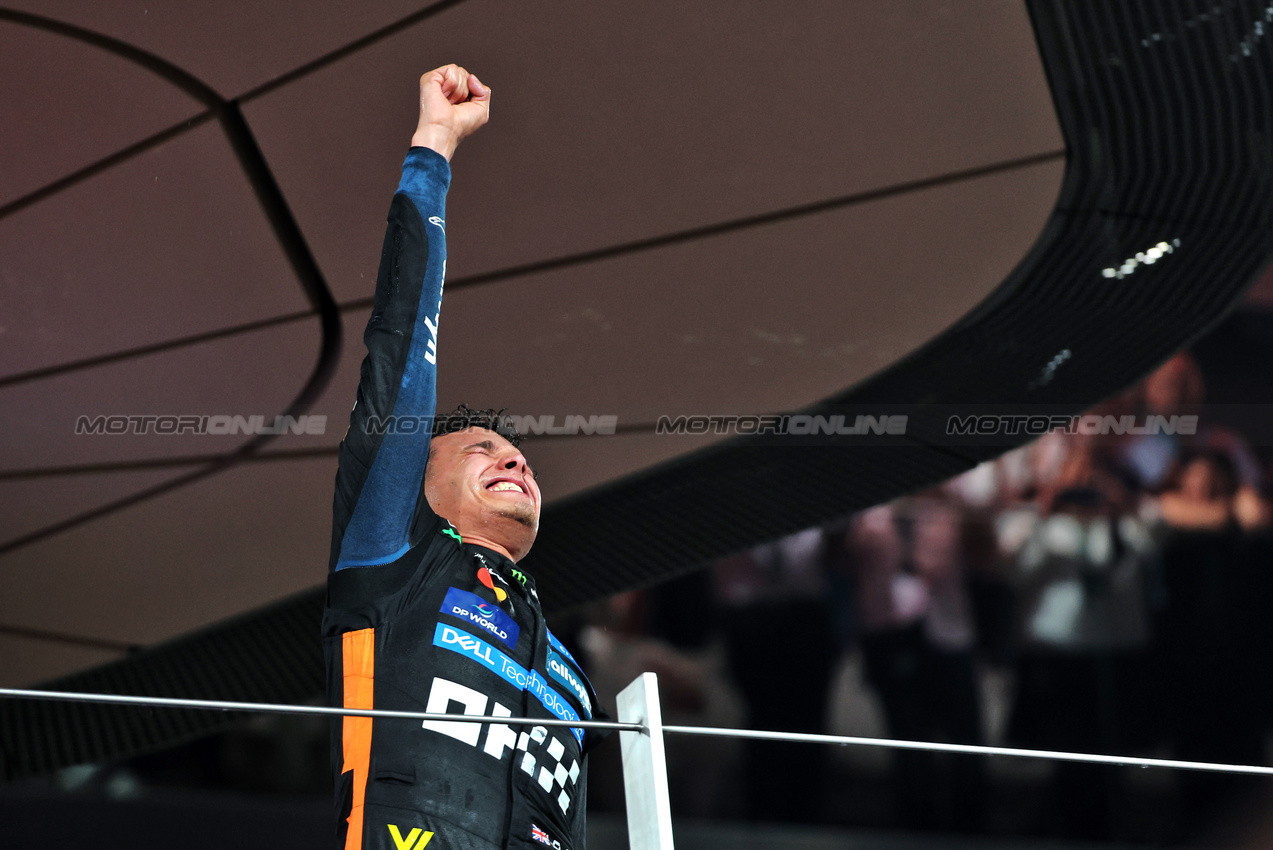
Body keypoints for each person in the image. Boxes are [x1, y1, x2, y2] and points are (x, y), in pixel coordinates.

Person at [322, 66, 604, 850]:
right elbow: (400, 342)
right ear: (417, 482)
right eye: (482, 449)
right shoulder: (394, 549)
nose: (515, 463)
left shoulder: (573, 678)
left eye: (521, 459)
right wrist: (434, 146)